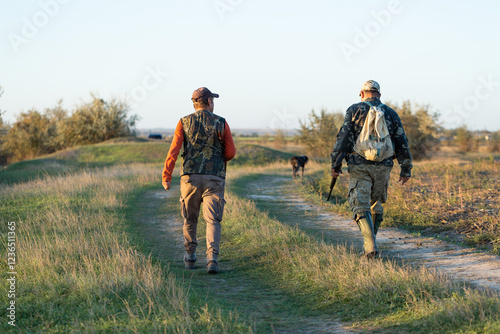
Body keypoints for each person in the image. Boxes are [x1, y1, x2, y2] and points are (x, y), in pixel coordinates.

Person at [330, 80, 412, 258]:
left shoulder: (354, 109)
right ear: (379, 95)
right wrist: (406, 169)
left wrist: (335, 164)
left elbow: (343, 138)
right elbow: (401, 141)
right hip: (384, 166)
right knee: (376, 205)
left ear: (361, 93)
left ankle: (370, 247)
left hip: (360, 165)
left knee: (360, 205)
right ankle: (371, 244)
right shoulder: (390, 113)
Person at [162, 87, 236, 274]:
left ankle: (190, 256)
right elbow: (230, 152)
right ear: (209, 102)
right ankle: (212, 259)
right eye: (213, 100)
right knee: (213, 220)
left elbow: (174, 150)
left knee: (190, 217)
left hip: (190, 178)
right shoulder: (221, 122)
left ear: (194, 103)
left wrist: (167, 176)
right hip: (214, 178)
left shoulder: (183, 122)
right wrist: (218, 158)